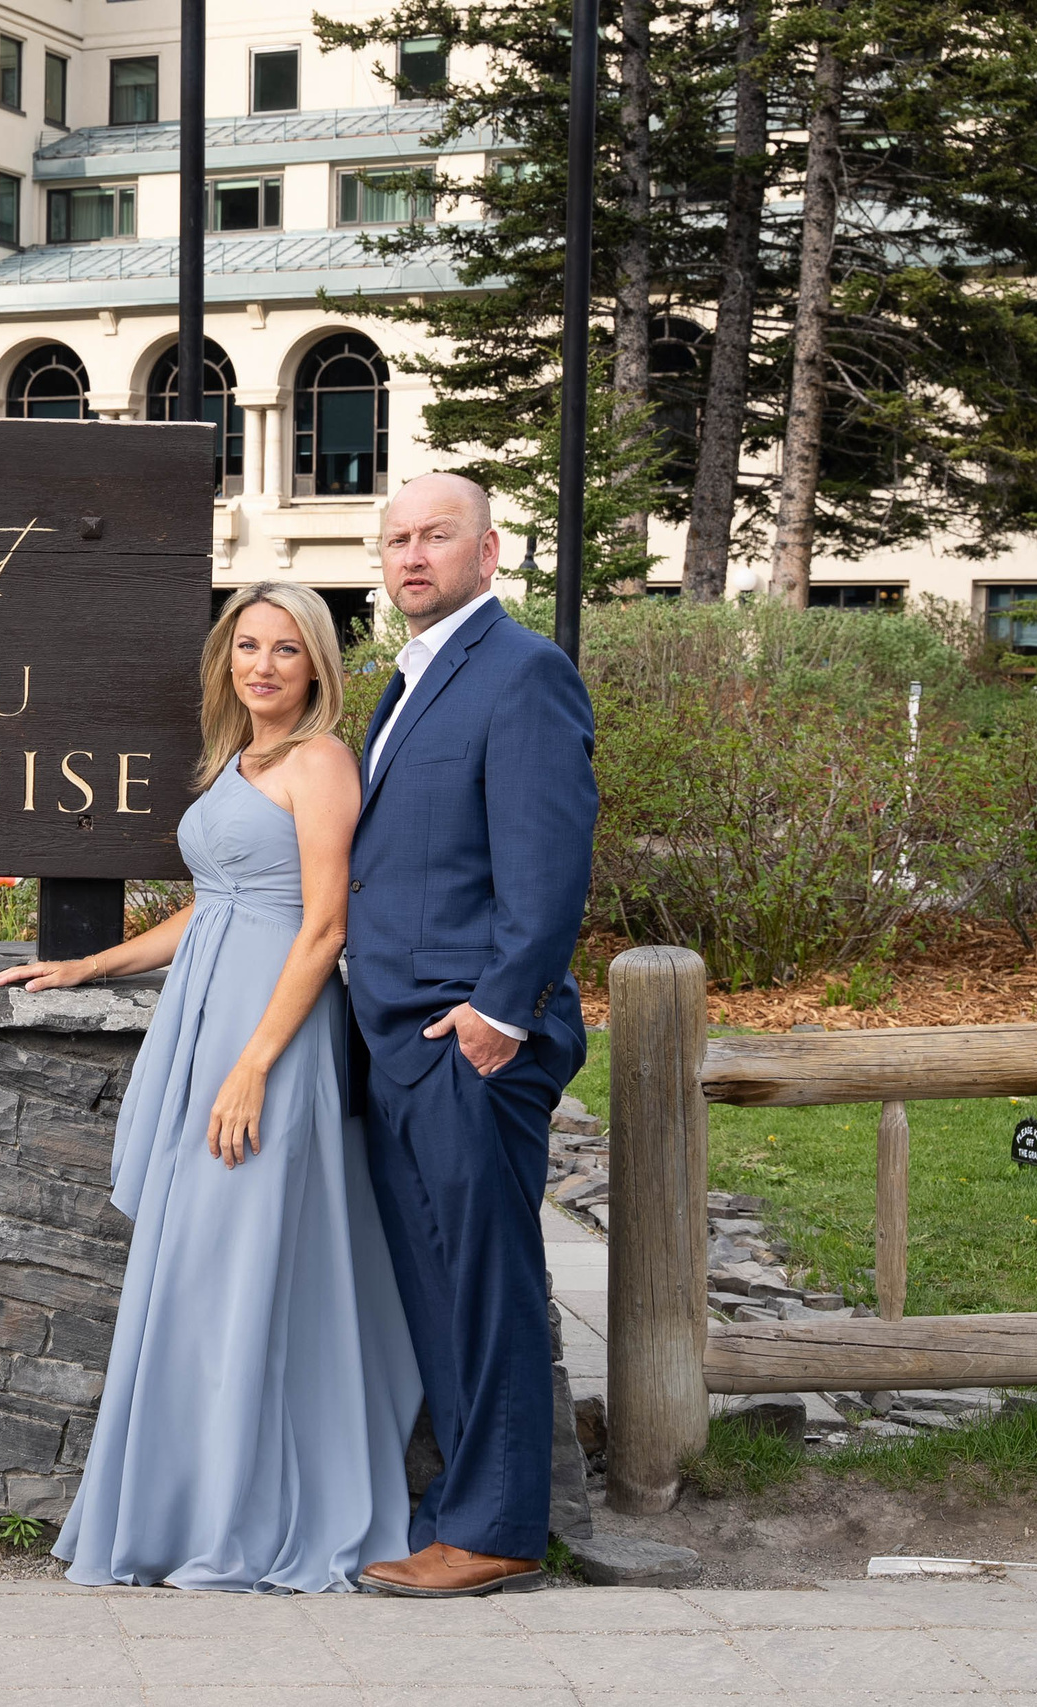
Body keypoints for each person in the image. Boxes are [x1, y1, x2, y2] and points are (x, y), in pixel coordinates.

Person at [0, 581, 422, 1593]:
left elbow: (321, 925)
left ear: (317, 664)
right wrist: (87, 967)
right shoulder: (241, 761)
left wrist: (254, 1064)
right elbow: (213, 908)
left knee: (244, 1266)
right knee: (197, 1269)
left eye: (284, 650)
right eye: (246, 647)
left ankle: (241, 1514)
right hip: (206, 1019)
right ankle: (181, 1503)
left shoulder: (320, 763)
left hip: (267, 1035)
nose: (262, 666)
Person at [346, 473, 597, 1598]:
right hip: (397, 1040)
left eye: (436, 536)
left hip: (468, 1044)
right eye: (395, 538)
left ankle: (495, 1529)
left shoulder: (523, 671)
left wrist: (498, 1018)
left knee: (484, 1285)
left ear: (487, 552)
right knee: (437, 1286)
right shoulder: (404, 684)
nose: (412, 555)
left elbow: (547, 865)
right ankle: (456, 1514)